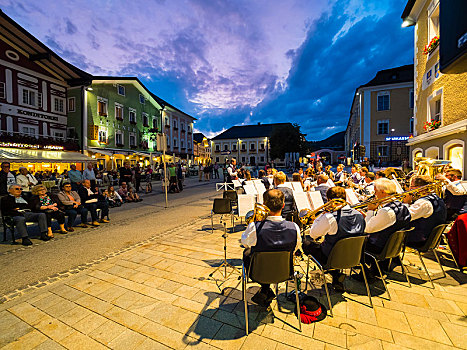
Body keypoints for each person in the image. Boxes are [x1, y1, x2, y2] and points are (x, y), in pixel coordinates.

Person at [241, 189, 301, 307]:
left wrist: (255, 225)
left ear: (264, 205)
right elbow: (295, 248)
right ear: (283, 205)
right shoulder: (294, 227)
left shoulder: (255, 227)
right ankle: (265, 290)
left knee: (247, 252)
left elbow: (245, 243)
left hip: (258, 273)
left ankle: (265, 289)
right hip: (285, 273)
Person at [302, 187, 366, 291]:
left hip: (332, 258)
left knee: (306, 243)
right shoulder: (359, 214)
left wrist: (321, 216)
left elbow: (313, 234)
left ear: (329, 200)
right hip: (354, 256)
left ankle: (334, 273)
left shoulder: (330, 217)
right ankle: (336, 276)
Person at [357, 178, 411, 280]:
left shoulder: (386, 211)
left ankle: (364, 271)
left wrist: (370, 211)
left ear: (383, 192)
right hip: (392, 246)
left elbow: (367, 229)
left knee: (353, 237)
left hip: (379, 246)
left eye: (375, 192)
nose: (374, 195)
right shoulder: (402, 206)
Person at [404, 175, 447, 247]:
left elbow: (404, 217)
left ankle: (390, 257)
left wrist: (406, 203)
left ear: (421, 188)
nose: (409, 188)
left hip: (419, 239)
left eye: (412, 186)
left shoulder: (423, 203)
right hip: (431, 238)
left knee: (390, 230)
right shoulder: (436, 197)